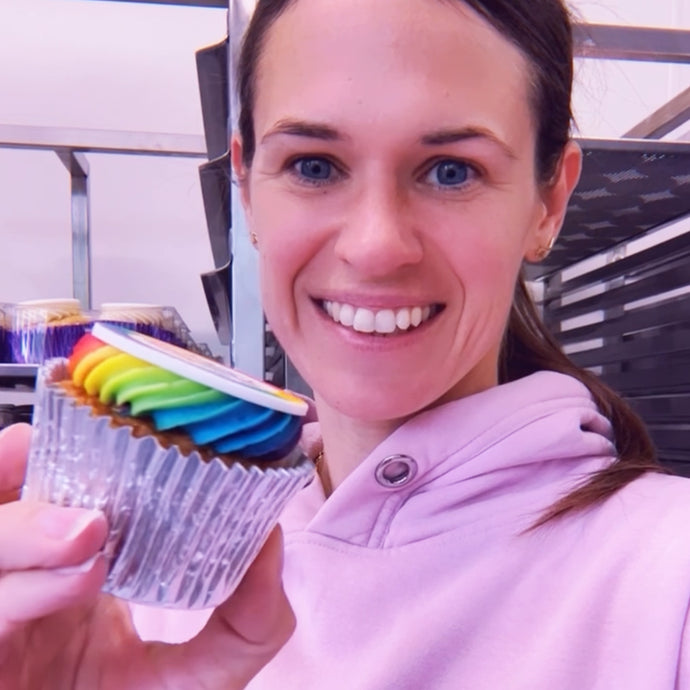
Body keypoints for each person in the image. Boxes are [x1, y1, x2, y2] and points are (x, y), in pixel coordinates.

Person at [1, 0, 689, 687]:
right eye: (315, 167)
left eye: (451, 170)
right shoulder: (122, 589)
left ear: (549, 202)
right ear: (245, 185)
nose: (375, 245)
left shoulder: (668, 585)